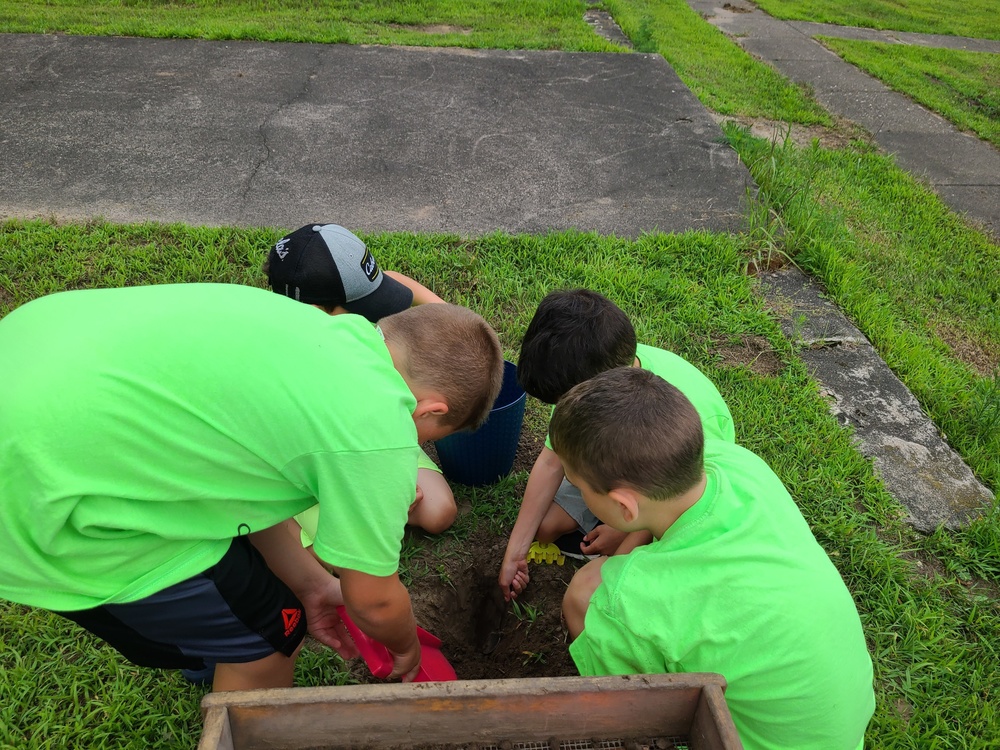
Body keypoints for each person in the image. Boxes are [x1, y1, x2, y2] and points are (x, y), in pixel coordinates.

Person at [0, 282, 503, 692]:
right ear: (432, 410)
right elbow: (373, 600)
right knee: (268, 635)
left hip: (27, 349)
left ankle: (207, 651)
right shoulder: (379, 428)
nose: (413, 445)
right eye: (429, 437)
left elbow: (246, 487)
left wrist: (311, 584)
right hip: (41, 484)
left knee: (257, 597)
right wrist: (406, 649)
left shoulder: (316, 331)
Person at [553, 367, 875, 750]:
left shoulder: (627, 603)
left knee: (584, 595)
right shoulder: (739, 465)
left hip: (743, 742)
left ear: (624, 505)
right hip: (838, 726)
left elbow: (617, 613)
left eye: (576, 483)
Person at [499, 288, 735, 600]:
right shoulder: (582, 378)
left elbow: (678, 501)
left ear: (602, 389)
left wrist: (627, 533)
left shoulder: (683, 422)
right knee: (544, 527)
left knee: (604, 582)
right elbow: (552, 460)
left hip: (673, 498)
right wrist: (516, 551)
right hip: (616, 463)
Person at [264, 223, 456, 535]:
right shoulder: (280, 364)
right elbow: (315, 451)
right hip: (309, 468)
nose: (373, 317)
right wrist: (376, 489)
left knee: (439, 510)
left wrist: (451, 315)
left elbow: (395, 279)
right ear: (316, 312)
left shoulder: (343, 323)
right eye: (362, 308)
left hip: (372, 438)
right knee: (334, 553)